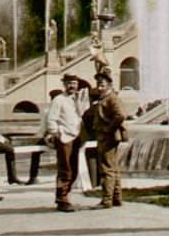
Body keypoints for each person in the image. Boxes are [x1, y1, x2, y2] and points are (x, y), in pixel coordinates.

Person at [45, 74, 89, 212]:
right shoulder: (59, 100)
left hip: (76, 137)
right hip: (64, 137)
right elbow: (51, 118)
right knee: (65, 169)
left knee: (74, 170)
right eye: (69, 83)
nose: (72, 86)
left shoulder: (79, 99)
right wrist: (56, 133)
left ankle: (65, 196)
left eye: (74, 83)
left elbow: (82, 116)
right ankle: (62, 200)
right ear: (64, 85)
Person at [89, 68, 126, 209]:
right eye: (98, 84)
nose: (99, 87)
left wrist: (109, 128)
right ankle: (116, 197)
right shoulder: (105, 97)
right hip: (106, 136)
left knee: (106, 168)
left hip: (107, 137)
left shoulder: (111, 98)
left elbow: (121, 115)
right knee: (113, 167)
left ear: (109, 85)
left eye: (102, 84)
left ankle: (107, 200)